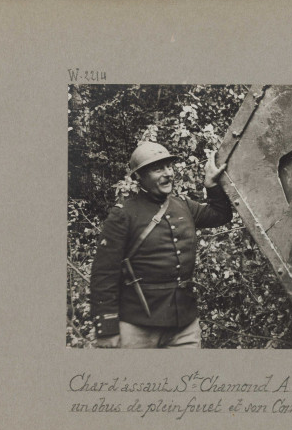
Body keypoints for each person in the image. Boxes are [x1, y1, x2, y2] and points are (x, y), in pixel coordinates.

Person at [90, 141, 232, 348]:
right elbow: (104, 274)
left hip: (184, 324)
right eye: (158, 169)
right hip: (137, 325)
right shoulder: (124, 214)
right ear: (140, 177)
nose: (168, 173)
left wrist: (211, 185)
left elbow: (220, 215)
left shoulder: (183, 206)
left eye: (169, 166)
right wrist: (106, 329)